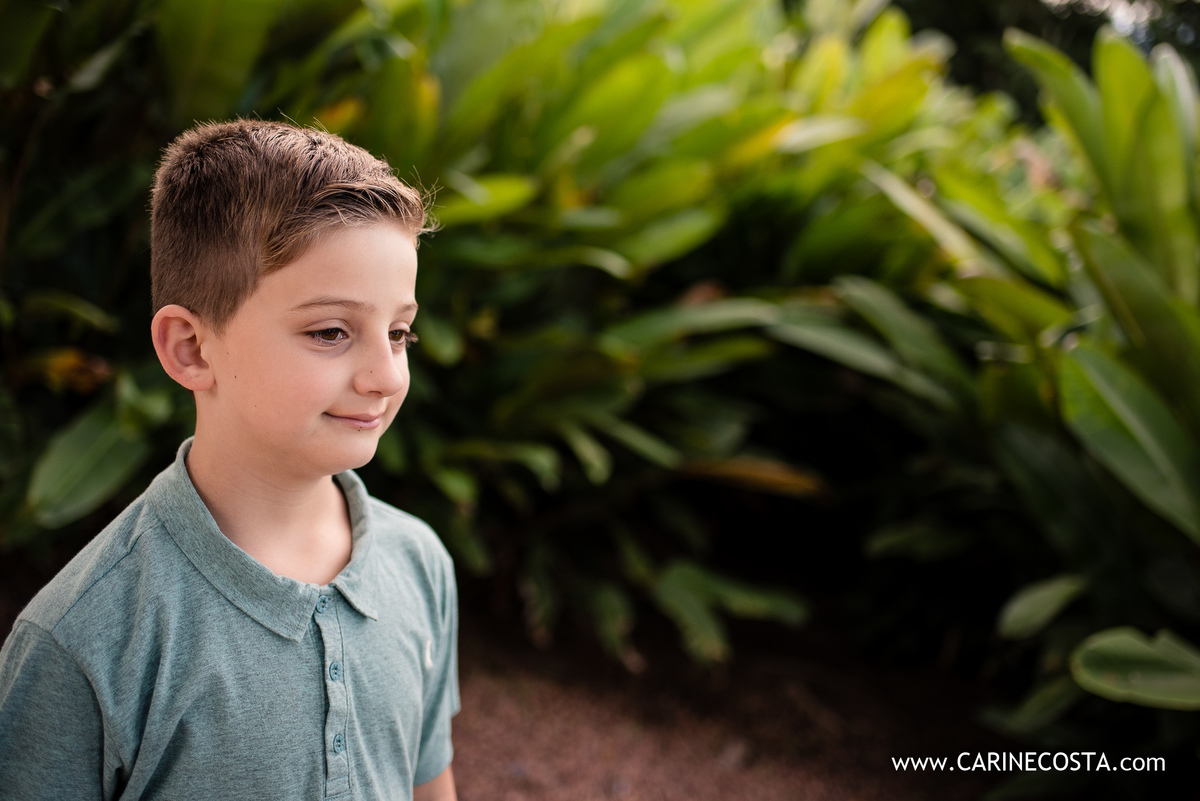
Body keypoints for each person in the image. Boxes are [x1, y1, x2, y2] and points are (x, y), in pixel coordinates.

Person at [0, 119, 459, 801]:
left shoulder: (420, 563)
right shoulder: (82, 638)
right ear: (190, 347)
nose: (386, 374)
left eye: (398, 332)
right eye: (331, 331)